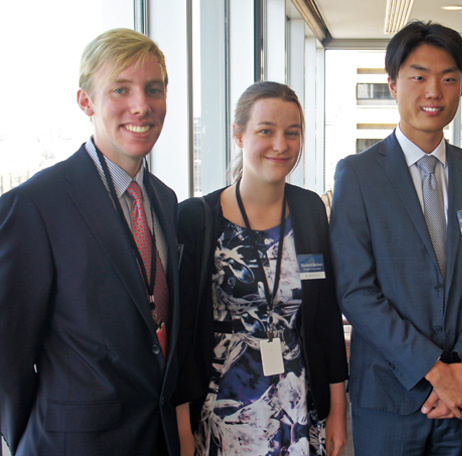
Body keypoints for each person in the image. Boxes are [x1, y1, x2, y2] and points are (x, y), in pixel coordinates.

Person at [0, 28, 180, 455]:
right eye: (121, 88)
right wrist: (38, 432)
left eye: (153, 89)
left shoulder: (166, 201)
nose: (141, 105)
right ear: (86, 102)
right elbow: (6, 352)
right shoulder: (35, 206)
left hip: (156, 439)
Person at [330, 20, 462, 455]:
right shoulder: (358, 174)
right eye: (418, 77)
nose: (434, 92)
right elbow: (356, 290)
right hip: (389, 394)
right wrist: (433, 370)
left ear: (461, 87)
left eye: (449, 79)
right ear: (392, 84)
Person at [175, 81, 348, 456]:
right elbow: (183, 337)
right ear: (239, 135)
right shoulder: (198, 218)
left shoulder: (310, 211)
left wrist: (338, 411)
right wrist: (182, 430)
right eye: (266, 131)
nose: (281, 145)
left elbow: (326, 320)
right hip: (224, 407)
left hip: (297, 404)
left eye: (292, 133)